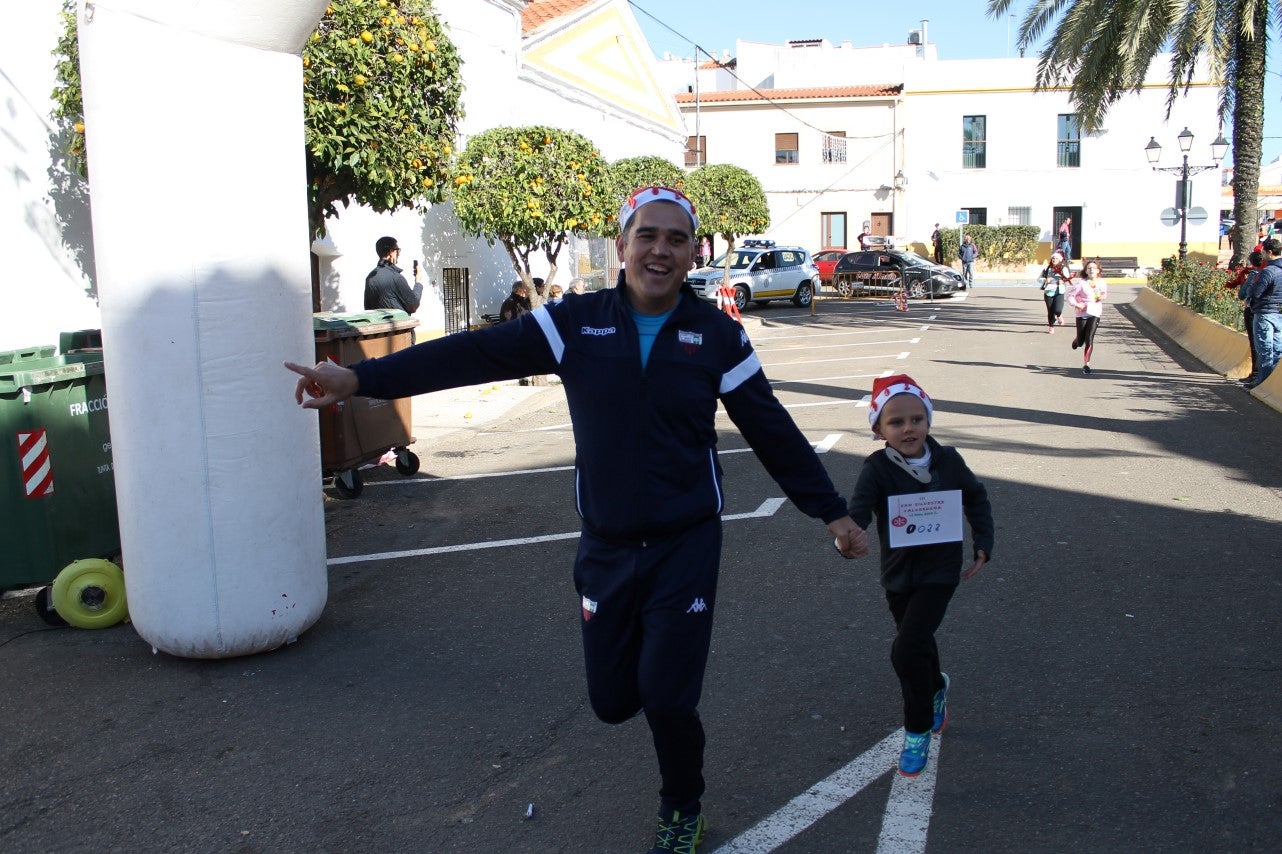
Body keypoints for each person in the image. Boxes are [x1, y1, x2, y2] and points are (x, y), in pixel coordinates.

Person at [285, 185, 869, 853]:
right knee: (614, 701)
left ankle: (682, 806)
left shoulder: (716, 337)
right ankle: (650, 722)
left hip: (686, 545)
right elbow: (472, 355)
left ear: (692, 253)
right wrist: (361, 379)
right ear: (622, 246)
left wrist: (830, 511)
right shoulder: (573, 324)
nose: (661, 249)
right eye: (647, 234)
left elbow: (771, 428)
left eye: (677, 239)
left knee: (669, 697)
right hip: (607, 546)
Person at [846, 374, 993, 778]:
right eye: (896, 422)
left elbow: (976, 497)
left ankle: (916, 730)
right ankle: (936, 688)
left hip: (940, 572)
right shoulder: (876, 468)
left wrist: (984, 542)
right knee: (919, 643)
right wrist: (847, 540)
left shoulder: (948, 460)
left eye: (917, 419)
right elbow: (857, 513)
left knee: (906, 649)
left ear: (928, 421)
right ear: (879, 430)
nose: (908, 428)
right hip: (898, 574)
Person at [1243, 237, 1282, 389]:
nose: (1262, 255)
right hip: (1279, 314)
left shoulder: (1268, 272)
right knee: (1277, 349)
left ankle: (1262, 382)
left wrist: (1251, 289)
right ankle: (1272, 382)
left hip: (1265, 313)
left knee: (1265, 350)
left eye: (1264, 252)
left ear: (1269, 253)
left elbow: (1255, 293)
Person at [1227, 251, 1266, 384]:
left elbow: (1243, 294)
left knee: (1255, 342)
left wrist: (1243, 281)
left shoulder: (1254, 275)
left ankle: (1255, 373)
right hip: (1267, 311)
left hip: (1252, 310)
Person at [364, 236, 423, 314]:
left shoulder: (370, 277)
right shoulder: (396, 278)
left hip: (380, 324)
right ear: (391, 252)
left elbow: (368, 308)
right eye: (397, 250)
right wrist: (418, 282)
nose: (399, 254)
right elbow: (413, 305)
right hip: (398, 325)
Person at [1068, 259, 1107, 374]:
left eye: (1093, 268)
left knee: (1089, 338)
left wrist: (1102, 297)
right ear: (1085, 270)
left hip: (1095, 312)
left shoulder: (1102, 282)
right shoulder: (1081, 283)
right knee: (1081, 341)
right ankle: (1077, 340)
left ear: (1098, 270)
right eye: (1089, 268)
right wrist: (1076, 304)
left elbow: (1104, 294)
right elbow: (1070, 296)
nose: (1091, 270)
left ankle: (1086, 365)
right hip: (1082, 313)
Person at [1039, 251, 1073, 333]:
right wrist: (1045, 280)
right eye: (1053, 258)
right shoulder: (1047, 269)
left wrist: (1063, 280)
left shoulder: (1063, 268)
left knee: (1057, 309)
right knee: (1050, 311)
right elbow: (1039, 279)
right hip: (1048, 292)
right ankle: (1051, 326)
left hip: (1059, 291)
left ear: (1060, 260)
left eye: (1056, 258)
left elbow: (1068, 278)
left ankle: (1059, 315)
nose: (1054, 259)